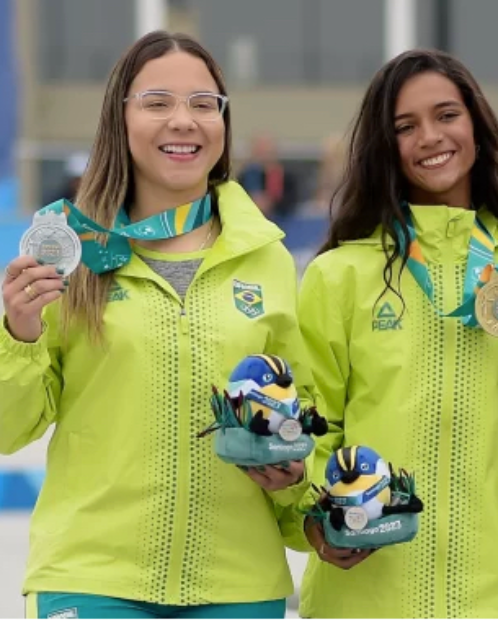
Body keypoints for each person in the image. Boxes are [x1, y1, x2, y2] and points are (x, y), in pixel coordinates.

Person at [0, 31, 315, 620]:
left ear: (223, 123)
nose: (183, 121)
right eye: (157, 102)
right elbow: (7, 431)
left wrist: (296, 480)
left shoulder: (267, 258)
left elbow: (303, 414)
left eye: (203, 104)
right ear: (119, 118)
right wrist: (18, 332)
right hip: (91, 579)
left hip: (238, 585)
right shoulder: (69, 252)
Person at [281, 49, 498, 618]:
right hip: (364, 598)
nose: (430, 137)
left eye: (446, 115)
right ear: (386, 148)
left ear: (477, 128)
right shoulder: (340, 275)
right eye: (405, 127)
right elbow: (309, 424)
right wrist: (320, 526)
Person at [237, 133, 297, 217]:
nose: (263, 155)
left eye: (267, 150)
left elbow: (292, 202)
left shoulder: (286, 177)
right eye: (259, 151)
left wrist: (270, 203)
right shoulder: (244, 177)